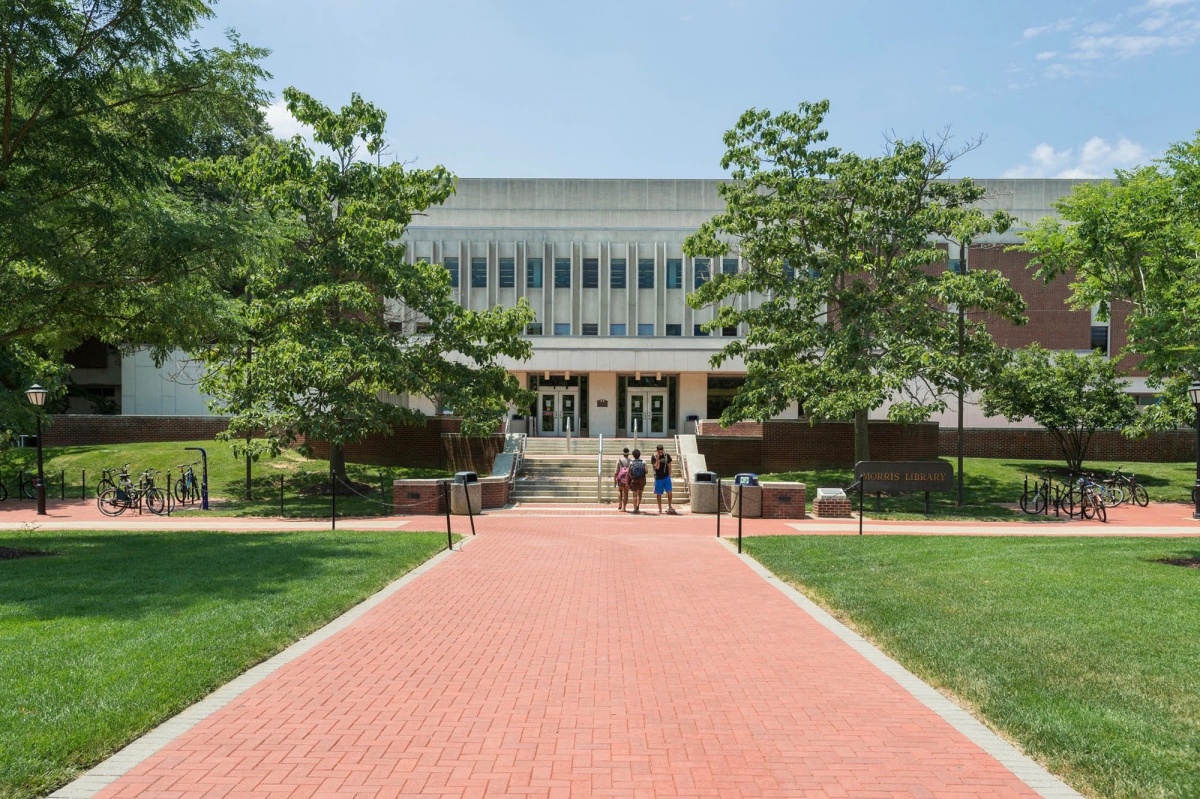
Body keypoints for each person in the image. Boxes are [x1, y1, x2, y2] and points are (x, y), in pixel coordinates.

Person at [651, 444, 676, 514]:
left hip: (666, 477)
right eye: (659, 452)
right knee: (659, 494)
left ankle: (669, 505)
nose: (660, 453)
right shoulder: (653, 457)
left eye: (661, 452)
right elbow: (657, 467)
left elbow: (669, 465)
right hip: (658, 478)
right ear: (657, 451)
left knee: (670, 492)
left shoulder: (666, 456)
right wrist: (658, 459)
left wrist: (669, 474)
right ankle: (660, 509)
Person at [627, 448, 648, 513]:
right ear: (639, 455)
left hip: (634, 479)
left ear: (633, 455)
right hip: (642, 479)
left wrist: (630, 478)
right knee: (640, 493)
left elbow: (628, 472)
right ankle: (638, 506)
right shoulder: (643, 462)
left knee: (634, 494)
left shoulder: (631, 462)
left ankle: (635, 508)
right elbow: (647, 471)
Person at [613, 447, 632, 511]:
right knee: (626, 493)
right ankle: (624, 507)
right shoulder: (631, 461)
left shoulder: (619, 460)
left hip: (620, 478)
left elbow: (616, 471)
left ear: (623, 453)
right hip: (627, 478)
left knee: (620, 491)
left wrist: (614, 479)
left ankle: (620, 503)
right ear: (628, 454)